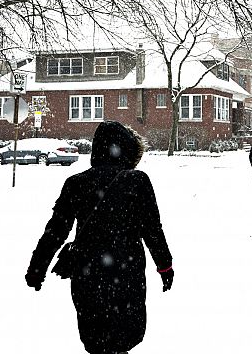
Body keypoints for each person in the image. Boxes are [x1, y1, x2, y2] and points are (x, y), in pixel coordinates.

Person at [25, 120, 173, 354]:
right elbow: (152, 230)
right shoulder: (137, 181)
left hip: (88, 274)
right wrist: (165, 266)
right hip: (126, 273)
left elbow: (55, 231)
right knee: (123, 337)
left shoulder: (75, 183)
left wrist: (37, 267)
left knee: (96, 339)